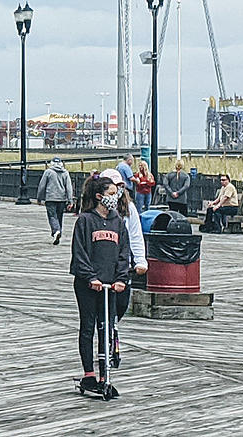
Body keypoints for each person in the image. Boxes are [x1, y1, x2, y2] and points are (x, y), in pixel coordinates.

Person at [70, 175, 130, 393]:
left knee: (107, 328)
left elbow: (124, 253)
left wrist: (121, 278)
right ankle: (89, 374)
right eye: (111, 194)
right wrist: (90, 277)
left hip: (111, 285)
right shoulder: (86, 220)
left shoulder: (118, 222)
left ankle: (106, 373)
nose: (115, 198)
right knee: (88, 326)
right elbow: (80, 253)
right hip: (89, 284)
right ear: (99, 196)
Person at [99, 168, 148, 369]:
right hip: (102, 266)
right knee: (103, 311)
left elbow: (136, 236)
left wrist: (140, 261)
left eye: (119, 187)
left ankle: (112, 331)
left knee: (120, 305)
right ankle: (104, 342)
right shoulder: (95, 210)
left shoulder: (129, 208)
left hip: (123, 265)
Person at [36, 156, 74, 245]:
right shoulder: (65, 173)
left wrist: (39, 198)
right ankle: (58, 231)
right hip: (62, 199)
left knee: (52, 216)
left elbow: (42, 186)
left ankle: (56, 231)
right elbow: (69, 187)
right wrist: (70, 200)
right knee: (59, 216)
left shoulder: (48, 172)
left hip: (50, 198)